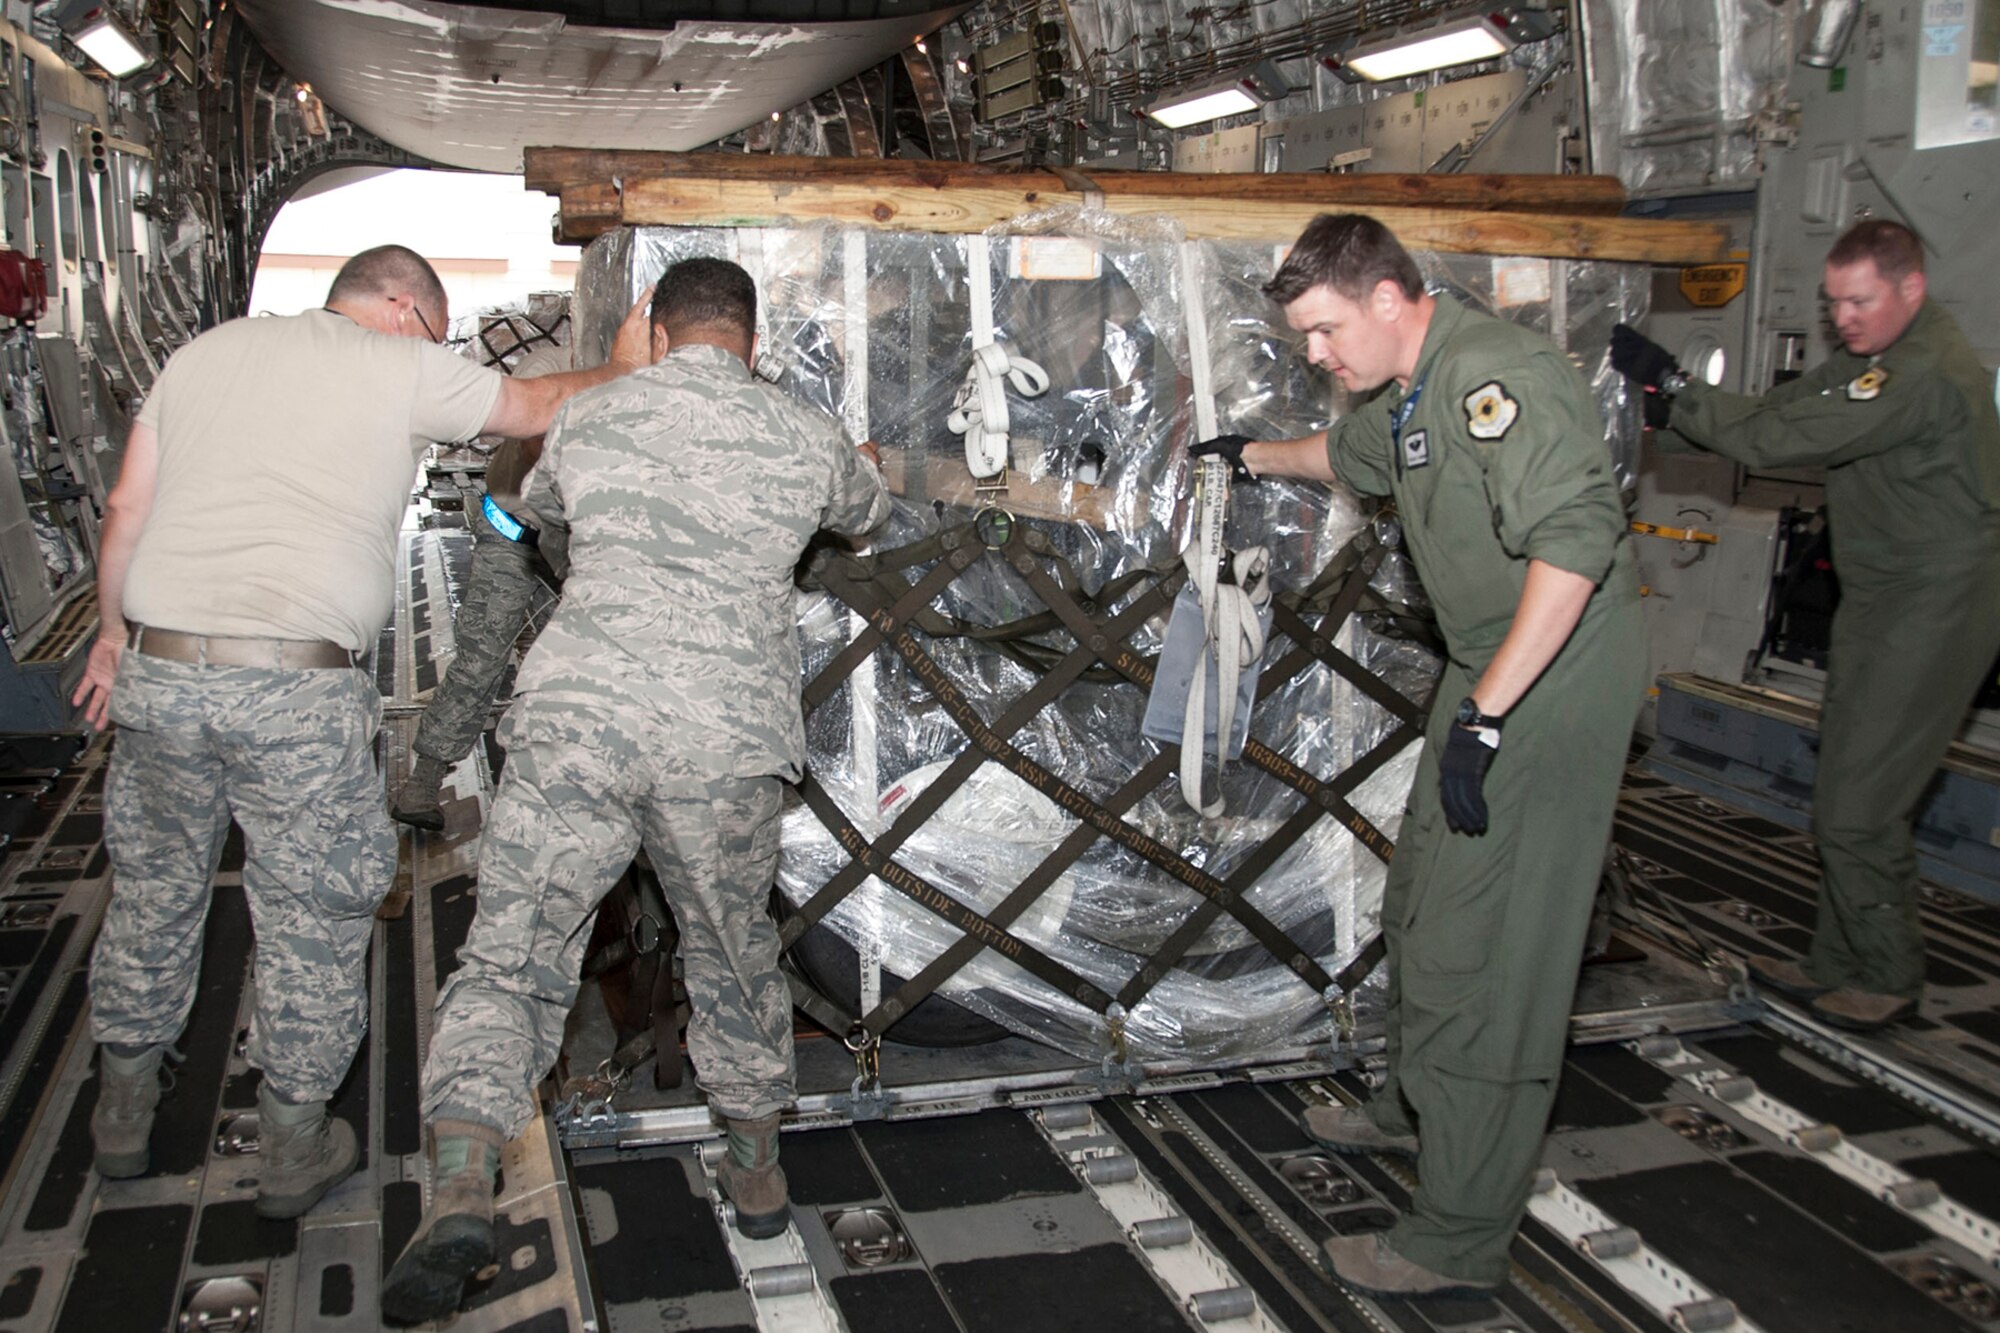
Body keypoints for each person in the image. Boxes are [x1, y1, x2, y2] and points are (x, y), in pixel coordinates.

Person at [74, 244, 650, 1218]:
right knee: (314, 905)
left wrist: (109, 633)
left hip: (162, 667)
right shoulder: (393, 360)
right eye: (434, 330)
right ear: (400, 308)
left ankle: (123, 1113)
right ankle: (294, 1145)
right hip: (294, 684)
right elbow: (536, 406)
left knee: (153, 887)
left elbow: (128, 506)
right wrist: (630, 367)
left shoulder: (202, 355)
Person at [382, 257, 891, 1324]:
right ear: (750, 339)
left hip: (580, 721)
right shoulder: (801, 433)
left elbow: (548, 522)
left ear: (656, 330)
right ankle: (755, 1175)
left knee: (517, 948)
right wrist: (859, 468)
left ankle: (465, 1175)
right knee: (728, 943)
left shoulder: (594, 416)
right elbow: (865, 512)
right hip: (723, 736)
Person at [1191, 214, 1645, 1298]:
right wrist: (1244, 456)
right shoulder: (1406, 392)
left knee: (1484, 957)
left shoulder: (1496, 376)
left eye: (1323, 329)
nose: (1314, 354)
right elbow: (1346, 456)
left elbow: (1575, 543)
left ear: (1388, 299)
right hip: (1488, 669)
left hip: (1549, 679)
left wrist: (1485, 715)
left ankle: (1456, 1233)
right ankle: (1410, 1106)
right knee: (1418, 904)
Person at [1612, 218, 2000, 1032]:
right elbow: (1771, 408)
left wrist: (1676, 379)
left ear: (1911, 289)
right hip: (1887, 598)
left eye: (1859, 302)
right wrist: (1655, 411)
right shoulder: (1872, 362)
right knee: (1842, 785)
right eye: (1834, 304)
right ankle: (1838, 960)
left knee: (1861, 802)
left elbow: (1774, 437)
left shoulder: (1918, 375)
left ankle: (1888, 973)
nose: (1844, 318)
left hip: (1939, 605)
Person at [392, 341, 575, 832]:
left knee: (572, 673)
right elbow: (538, 444)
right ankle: (424, 782)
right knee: (482, 656)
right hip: (515, 536)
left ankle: (556, 795)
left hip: (581, 547)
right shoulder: (552, 366)